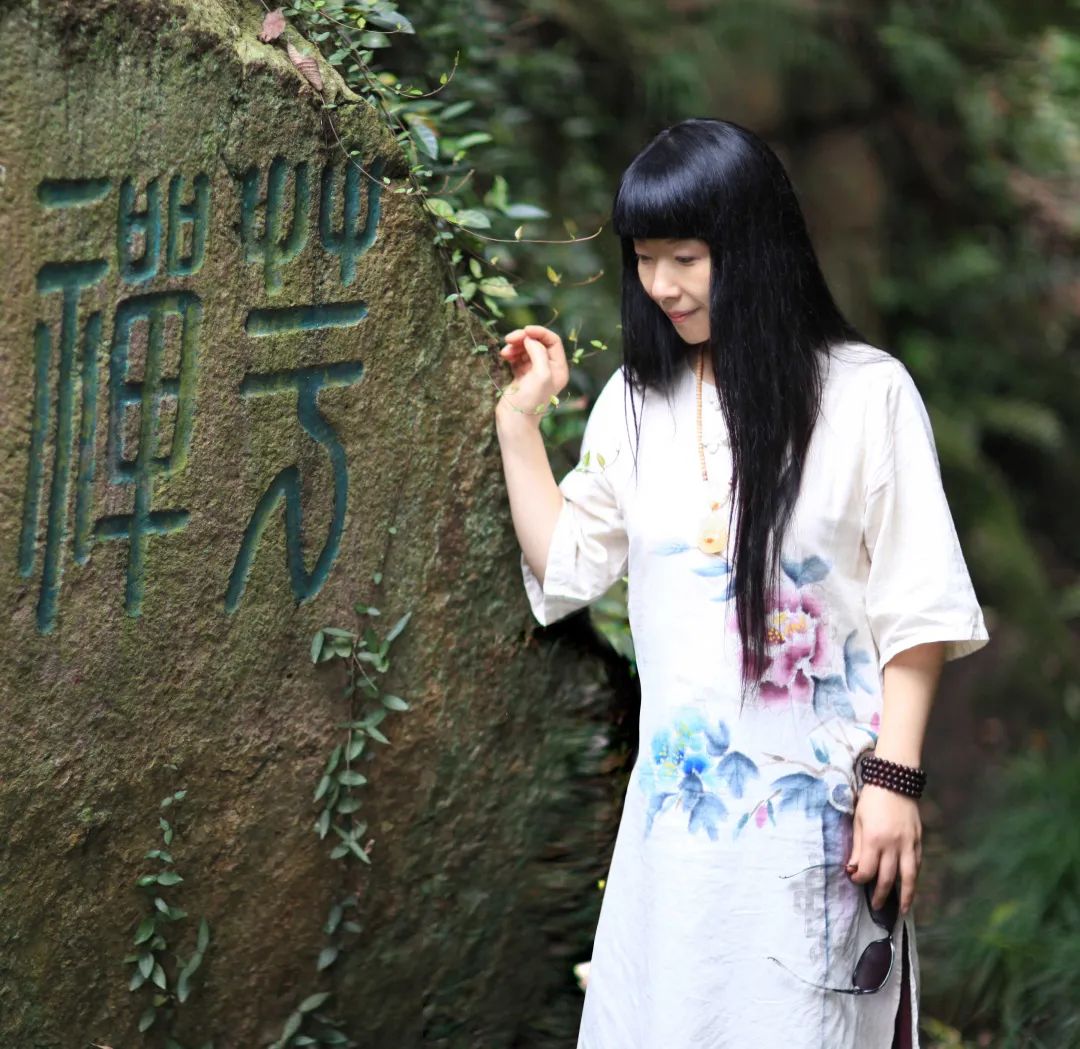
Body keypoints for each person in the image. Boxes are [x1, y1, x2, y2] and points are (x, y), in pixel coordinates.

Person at [493, 117, 989, 1049]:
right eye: (645, 259)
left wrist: (894, 780)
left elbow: (917, 605)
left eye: (686, 258)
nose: (662, 286)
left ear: (755, 248)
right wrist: (521, 423)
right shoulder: (636, 402)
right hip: (675, 840)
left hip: (821, 828)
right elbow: (567, 565)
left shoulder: (867, 393)